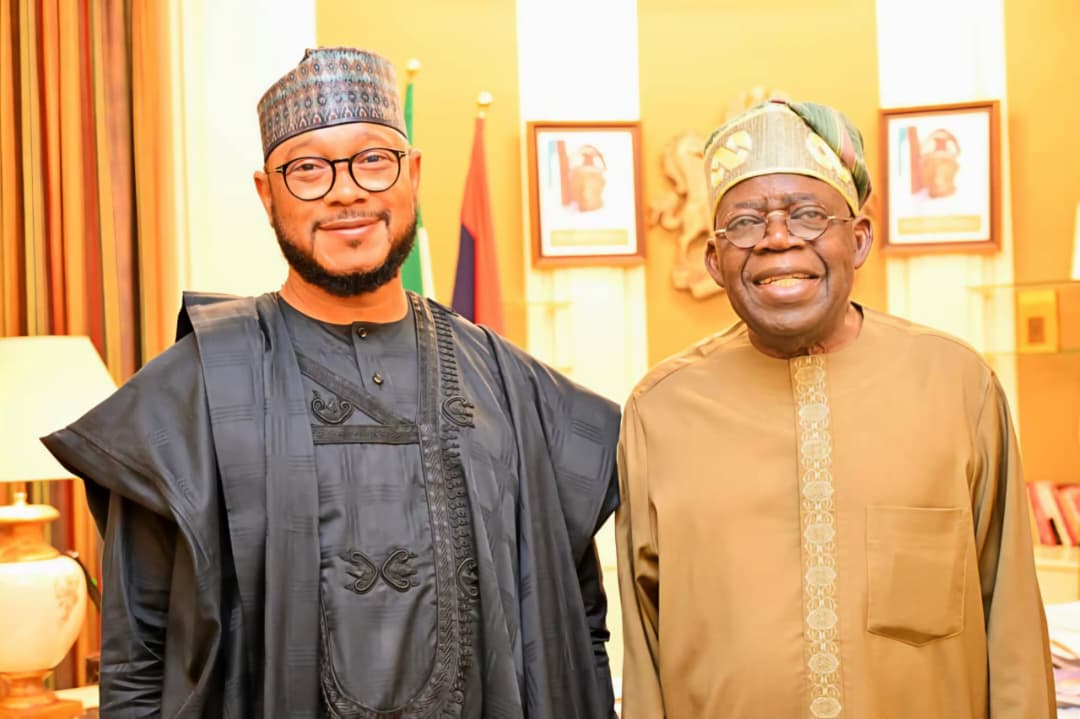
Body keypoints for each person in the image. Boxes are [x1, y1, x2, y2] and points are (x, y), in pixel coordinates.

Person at [43, 47, 619, 718]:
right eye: (309, 169)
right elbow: (138, 654)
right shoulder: (199, 388)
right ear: (266, 193)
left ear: (413, 173)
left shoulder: (509, 385)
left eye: (373, 159)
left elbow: (578, 627)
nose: (347, 192)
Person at [615, 99, 1055, 718]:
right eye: (745, 222)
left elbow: (1010, 622)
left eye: (808, 214)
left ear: (859, 239)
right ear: (715, 260)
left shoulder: (957, 385)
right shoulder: (660, 411)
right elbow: (643, 643)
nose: (777, 238)